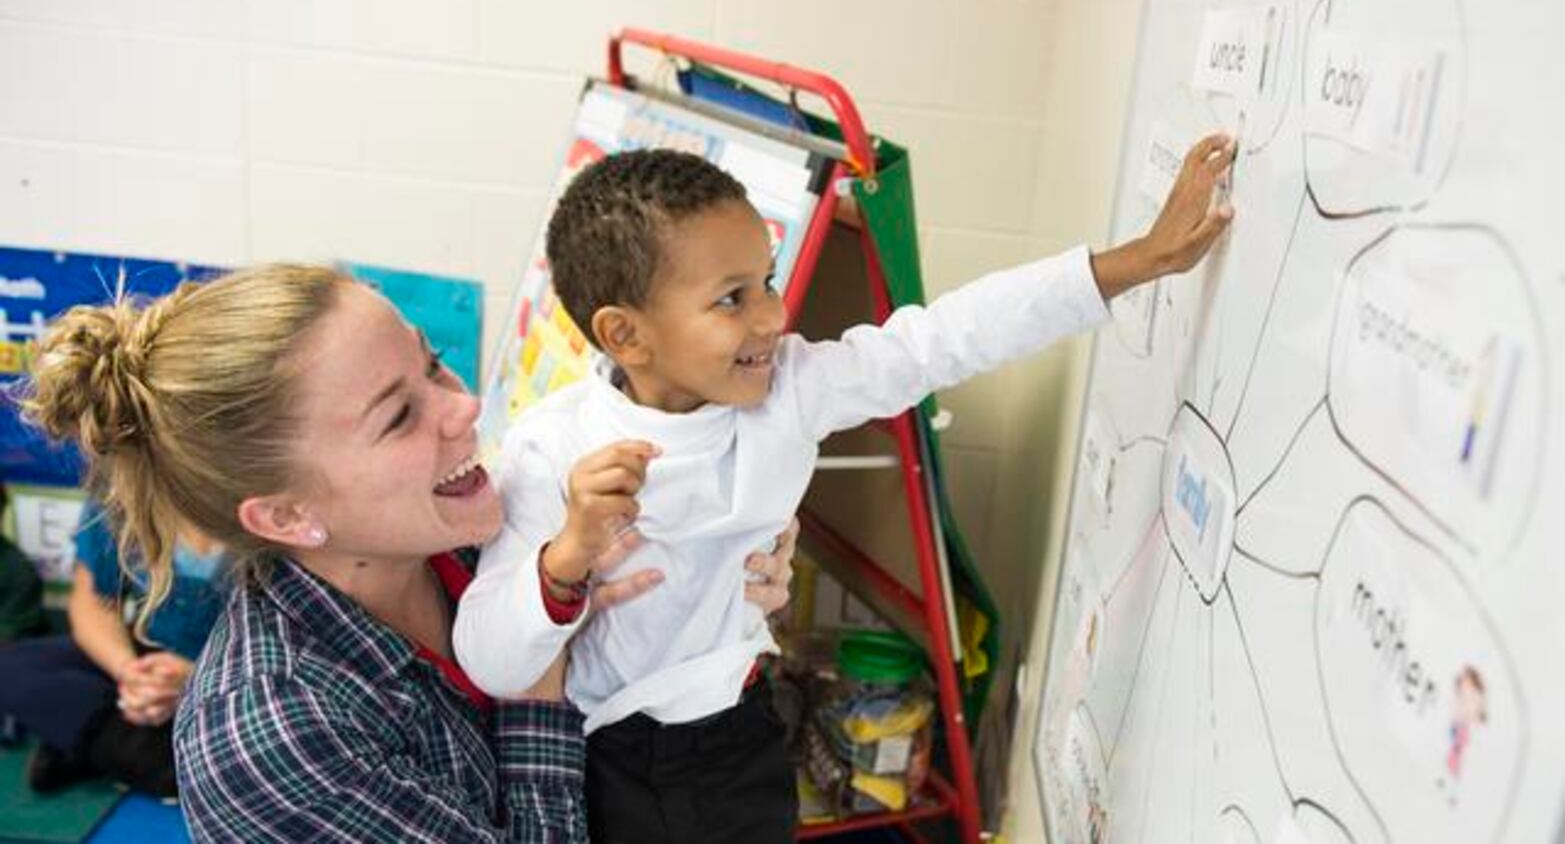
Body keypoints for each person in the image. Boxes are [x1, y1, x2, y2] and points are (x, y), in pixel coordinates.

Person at [453, 136, 1237, 842]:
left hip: (742, 734)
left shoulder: (788, 388)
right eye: (732, 299)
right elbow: (490, 657)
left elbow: (940, 340)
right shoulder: (552, 446)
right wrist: (565, 560)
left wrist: (1136, 262)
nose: (771, 317)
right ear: (626, 334)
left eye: (765, 281)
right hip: (616, 763)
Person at [20, 264, 797, 842]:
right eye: (399, 417)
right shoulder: (274, 735)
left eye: (430, 365)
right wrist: (538, 675)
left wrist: (726, 575)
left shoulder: (479, 523)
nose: (463, 407)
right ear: (289, 515)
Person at [0, 500, 226, 796]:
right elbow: (95, 604)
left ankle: (101, 746)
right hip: (150, 656)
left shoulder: (274, 486)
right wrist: (129, 673)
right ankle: (154, 757)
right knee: (13, 667)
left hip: (243, 669)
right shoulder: (115, 490)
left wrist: (197, 676)